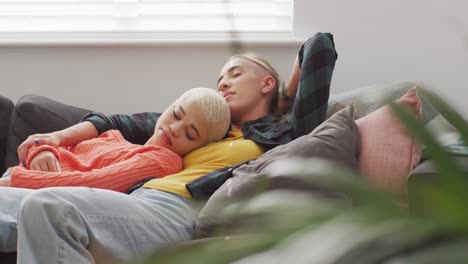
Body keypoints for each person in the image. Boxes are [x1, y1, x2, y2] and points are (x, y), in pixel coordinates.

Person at [0, 32, 338, 263]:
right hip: (132, 202)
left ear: (266, 83)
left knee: (48, 206)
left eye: (235, 74)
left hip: (179, 212)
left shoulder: (282, 132)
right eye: (221, 79)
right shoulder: (205, 128)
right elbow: (118, 122)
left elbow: (319, 46)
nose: (223, 83)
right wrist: (55, 139)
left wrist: (283, 101)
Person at [0, 87, 231, 192]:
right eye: (176, 114)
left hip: (28, 193)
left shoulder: (161, 161)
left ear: (200, 147)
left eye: (190, 134)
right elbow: (56, 147)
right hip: (21, 179)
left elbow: (89, 185)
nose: (174, 128)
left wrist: (13, 183)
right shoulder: (115, 137)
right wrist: (42, 150)